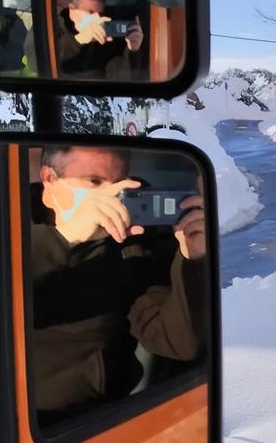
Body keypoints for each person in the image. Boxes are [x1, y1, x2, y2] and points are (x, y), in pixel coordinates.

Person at [31, 145, 207, 424]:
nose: (110, 198)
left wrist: (192, 258)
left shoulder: (132, 243)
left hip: (96, 423)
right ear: (49, 178)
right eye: (94, 182)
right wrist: (65, 238)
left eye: (119, 185)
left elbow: (177, 343)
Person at [56, 0, 144, 80]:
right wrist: (80, 40)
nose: (96, 18)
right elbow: (47, 64)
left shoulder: (108, 46)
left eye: (100, 14)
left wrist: (133, 51)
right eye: (90, 12)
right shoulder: (54, 27)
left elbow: (122, 81)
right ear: (72, 9)